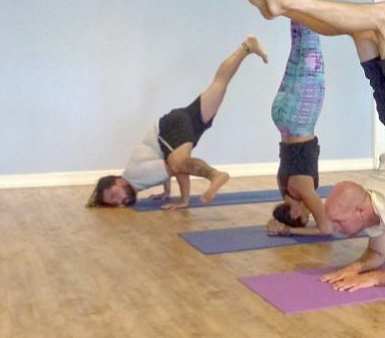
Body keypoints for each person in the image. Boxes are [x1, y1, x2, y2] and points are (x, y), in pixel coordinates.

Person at [237, 0, 385, 292]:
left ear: (363, 209)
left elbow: (382, 261)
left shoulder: (375, 213)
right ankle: (289, 4)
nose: (332, 227)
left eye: (337, 220)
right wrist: (365, 271)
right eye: (336, 221)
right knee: (381, 16)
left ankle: (290, 5)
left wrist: (362, 271)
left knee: (368, 26)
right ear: (363, 210)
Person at [87, 36, 268, 210]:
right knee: (219, 83)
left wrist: (184, 200)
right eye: (114, 203)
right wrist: (166, 191)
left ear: (119, 182)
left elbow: (176, 168)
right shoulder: (137, 177)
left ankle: (215, 176)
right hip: (176, 124)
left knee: (179, 162)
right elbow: (162, 165)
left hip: (168, 128)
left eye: (114, 195)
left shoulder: (136, 176)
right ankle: (247, 47)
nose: (119, 201)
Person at [265, 0, 334, 237]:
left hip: (300, 118)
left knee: (311, 45)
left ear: (294, 212)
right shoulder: (284, 186)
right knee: (300, 44)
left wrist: (288, 231)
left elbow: (327, 229)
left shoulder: (301, 188)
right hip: (282, 117)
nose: (308, 214)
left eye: (302, 217)